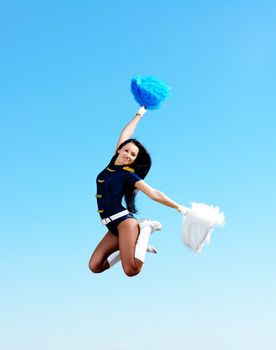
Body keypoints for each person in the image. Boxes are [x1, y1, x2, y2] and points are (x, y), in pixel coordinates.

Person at [89, 106, 189, 277]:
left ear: (135, 160)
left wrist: (179, 207)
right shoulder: (112, 163)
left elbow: (153, 193)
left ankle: (146, 229)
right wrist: (139, 114)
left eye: (133, 155)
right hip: (111, 226)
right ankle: (136, 246)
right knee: (95, 266)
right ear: (119, 149)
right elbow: (126, 133)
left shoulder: (129, 175)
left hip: (124, 222)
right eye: (126, 150)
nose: (128, 154)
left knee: (132, 270)